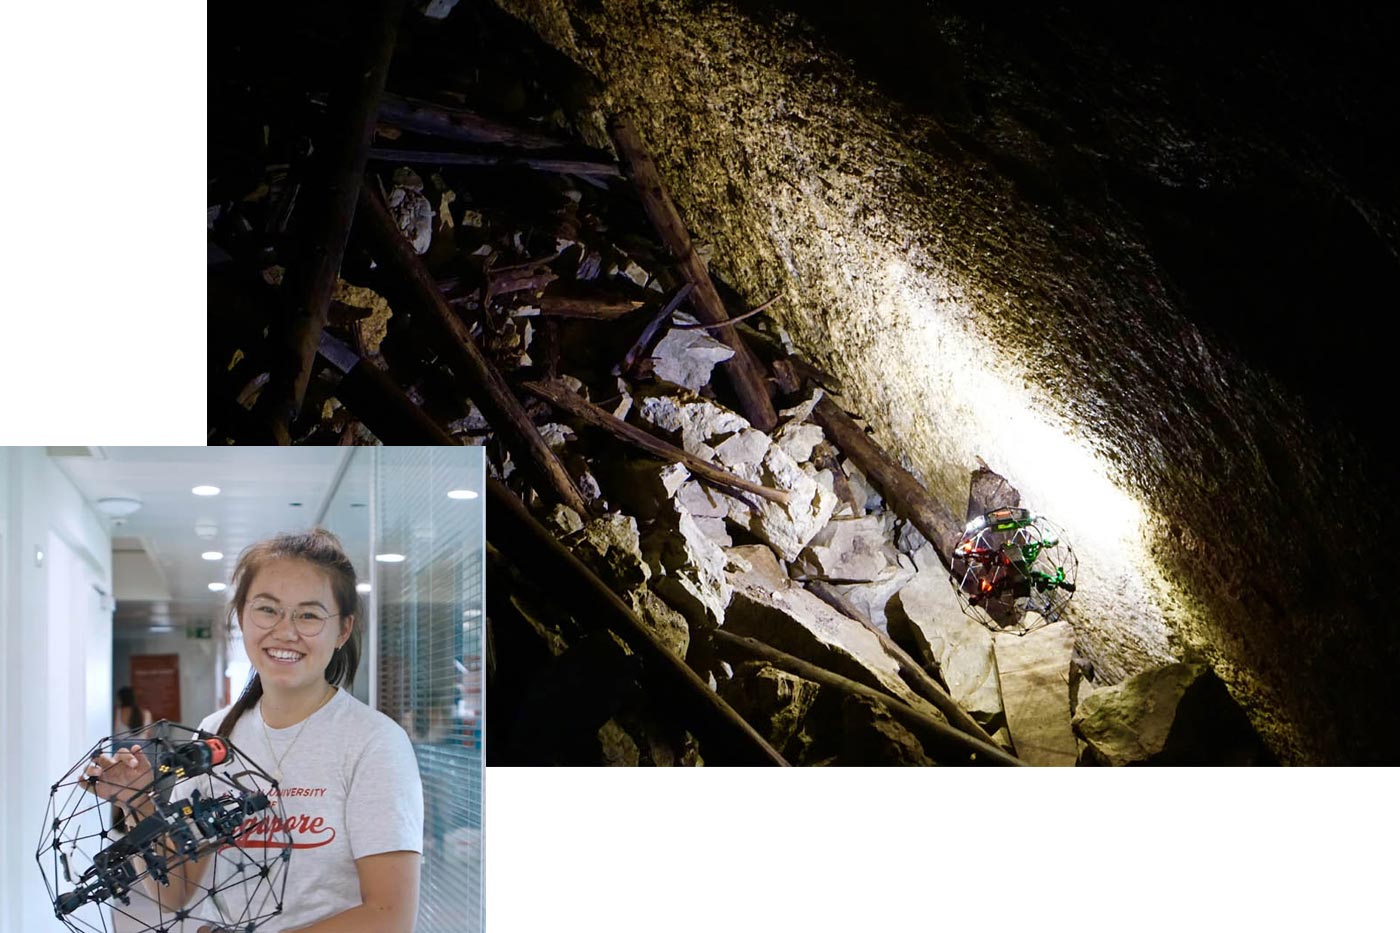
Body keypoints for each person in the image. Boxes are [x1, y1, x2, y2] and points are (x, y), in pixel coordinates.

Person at [84, 528, 423, 933]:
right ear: (241, 615)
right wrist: (139, 804)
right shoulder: (214, 733)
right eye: (267, 609)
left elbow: (390, 916)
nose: (285, 630)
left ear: (343, 630)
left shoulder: (373, 742)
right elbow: (175, 891)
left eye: (309, 614)